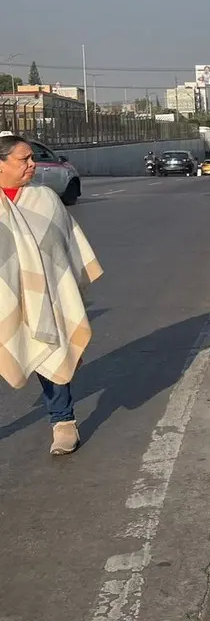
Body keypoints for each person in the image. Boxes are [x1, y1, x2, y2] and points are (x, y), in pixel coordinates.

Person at [0, 133, 101, 455]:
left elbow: (64, 251)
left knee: (51, 352)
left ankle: (63, 423)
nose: (32, 164)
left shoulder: (44, 198)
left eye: (31, 158)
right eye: (23, 159)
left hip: (43, 295)